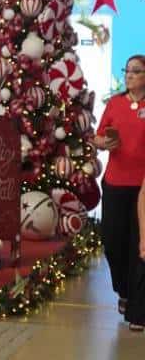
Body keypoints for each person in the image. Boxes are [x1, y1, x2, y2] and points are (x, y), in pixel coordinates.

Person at [98, 54, 145, 331]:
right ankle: (123, 290)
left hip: (142, 187)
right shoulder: (115, 103)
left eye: (136, 71)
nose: (129, 75)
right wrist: (104, 143)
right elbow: (98, 136)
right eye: (127, 71)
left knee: (139, 246)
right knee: (113, 242)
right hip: (115, 183)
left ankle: (138, 309)